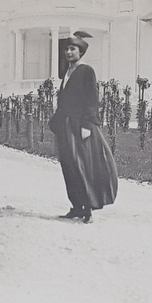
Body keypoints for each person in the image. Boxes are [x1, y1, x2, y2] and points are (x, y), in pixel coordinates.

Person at [48, 31, 118, 223]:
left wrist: (87, 124)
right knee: (69, 166)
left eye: (73, 49)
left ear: (80, 52)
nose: (69, 52)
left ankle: (88, 208)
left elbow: (91, 99)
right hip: (66, 126)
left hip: (80, 126)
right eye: (67, 49)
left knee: (83, 166)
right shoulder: (67, 72)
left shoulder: (86, 71)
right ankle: (76, 206)